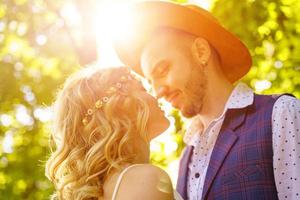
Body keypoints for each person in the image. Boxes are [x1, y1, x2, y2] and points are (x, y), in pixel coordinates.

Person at [113, 1, 300, 199]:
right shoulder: (188, 155)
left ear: (201, 52)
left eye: (163, 70)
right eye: (151, 82)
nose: (158, 92)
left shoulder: (280, 114)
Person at [45, 66, 184, 200]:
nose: (157, 96)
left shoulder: (106, 187)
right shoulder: (144, 180)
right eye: (143, 89)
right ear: (120, 108)